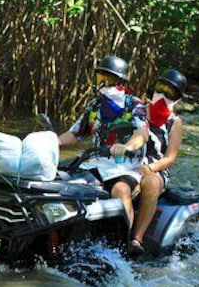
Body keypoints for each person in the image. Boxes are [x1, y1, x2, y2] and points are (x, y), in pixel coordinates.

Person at [58, 55, 149, 231]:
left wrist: (127, 147)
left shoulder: (134, 104)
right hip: (96, 164)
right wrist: (53, 141)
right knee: (68, 186)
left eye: (108, 78)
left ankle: (126, 243)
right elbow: (75, 133)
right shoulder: (95, 105)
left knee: (120, 190)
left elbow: (142, 132)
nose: (103, 83)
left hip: (126, 166)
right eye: (101, 78)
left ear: (120, 81)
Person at [129, 68, 187, 256]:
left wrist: (149, 168)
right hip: (128, 163)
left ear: (177, 98)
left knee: (151, 182)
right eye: (161, 88)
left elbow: (170, 158)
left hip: (156, 168)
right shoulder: (137, 111)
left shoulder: (175, 122)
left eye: (170, 93)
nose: (163, 95)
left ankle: (136, 239)